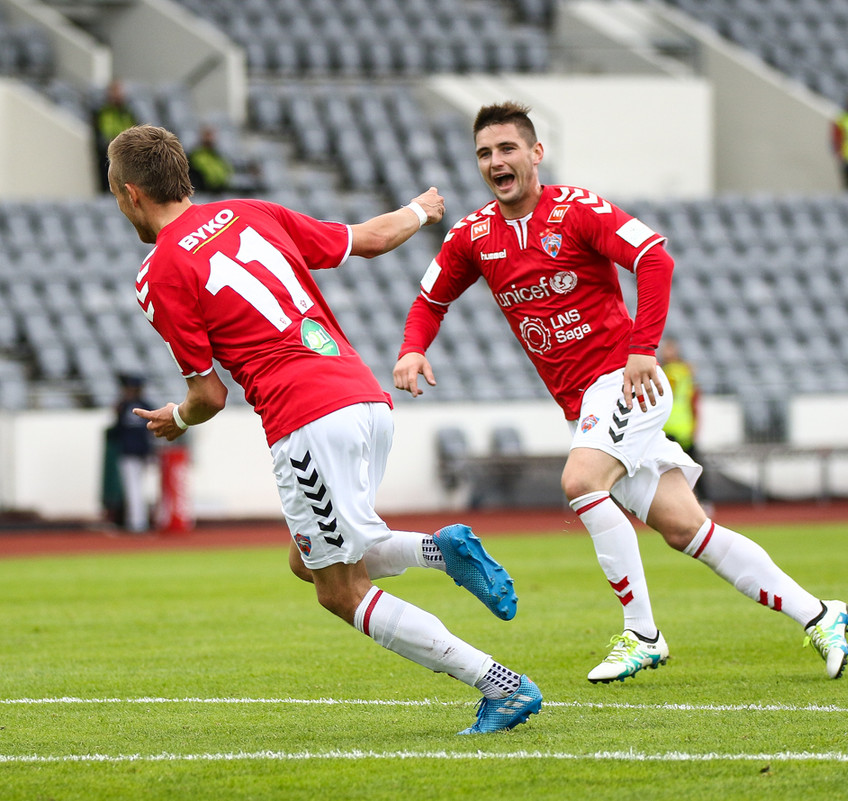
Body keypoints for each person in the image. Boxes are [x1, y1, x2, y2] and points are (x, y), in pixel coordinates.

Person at [393, 101, 848, 683]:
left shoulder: (578, 209)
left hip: (625, 382)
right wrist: (412, 348)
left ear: (536, 153)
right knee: (688, 530)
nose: (495, 161)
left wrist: (643, 348)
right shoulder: (472, 236)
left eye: (507, 148)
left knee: (580, 482)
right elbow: (430, 300)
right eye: (484, 153)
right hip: (583, 405)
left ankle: (643, 635)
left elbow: (655, 259)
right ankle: (820, 613)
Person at [107, 124, 541, 735]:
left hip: (307, 419)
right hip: (364, 399)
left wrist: (177, 418)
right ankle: (439, 551)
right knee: (306, 560)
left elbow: (209, 395)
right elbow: (369, 239)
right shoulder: (251, 211)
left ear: (131, 193)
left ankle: (501, 685)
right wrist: (421, 209)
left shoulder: (158, 272)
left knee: (340, 589)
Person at [658, 338, 709, 508]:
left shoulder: (666, 372)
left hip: (675, 428)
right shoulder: (684, 372)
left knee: (674, 468)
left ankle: (697, 501)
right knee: (690, 466)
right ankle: (701, 501)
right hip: (673, 427)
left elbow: (693, 400)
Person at [109, 373, 156, 532]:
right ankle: (138, 521)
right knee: (138, 488)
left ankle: (136, 523)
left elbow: (116, 431)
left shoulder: (123, 406)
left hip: (130, 452)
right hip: (142, 452)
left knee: (133, 488)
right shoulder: (146, 405)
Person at [92, 80, 139, 192]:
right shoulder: (104, 112)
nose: (119, 95)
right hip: (109, 154)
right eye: (115, 92)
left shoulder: (128, 112)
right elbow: (104, 135)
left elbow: (133, 129)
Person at [188, 126, 234, 194]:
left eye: (211, 135)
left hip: (219, 191)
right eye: (207, 135)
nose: (210, 138)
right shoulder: (195, 155)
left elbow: (226, 172)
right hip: (203, 192)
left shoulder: (218, 155)